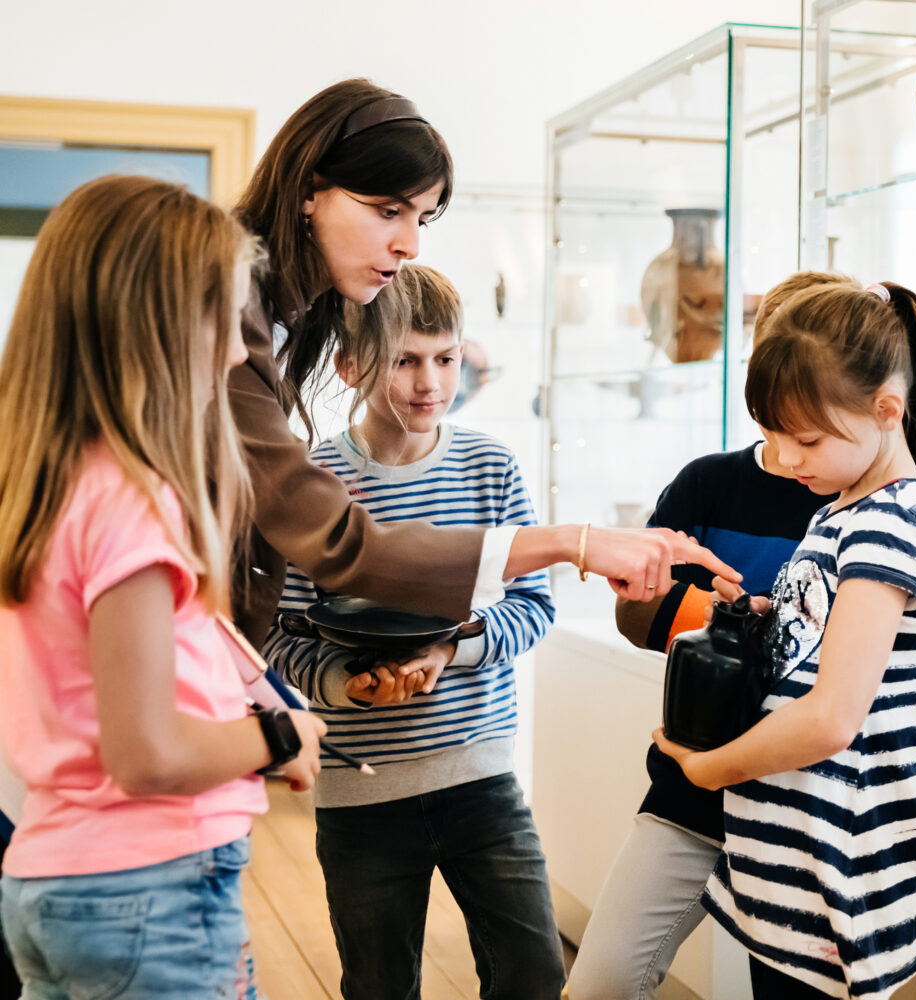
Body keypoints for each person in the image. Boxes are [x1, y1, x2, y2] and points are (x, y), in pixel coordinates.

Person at [229, 77, 736, 647]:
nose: (409, 245)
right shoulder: (231, 308)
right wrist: (578, 542)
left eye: (419, 218)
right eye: (388, 209)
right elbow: (342, 549)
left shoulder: (271, 314)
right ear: (307, 189)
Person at [0, 175, 325, 999]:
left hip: (49, 880)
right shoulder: (132, 501)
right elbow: (148, 753)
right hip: (152, 885)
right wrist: (281, 739)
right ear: (167, 325)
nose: (240, 350)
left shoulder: (49, 488)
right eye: (227, 318)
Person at [263, 264, 561, 1000]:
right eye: (405, 360)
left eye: (447, 358)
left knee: (533, 973)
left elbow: (535, 606)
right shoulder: (314, 481)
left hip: (483, 780)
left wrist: (447, 651)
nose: (432, 382)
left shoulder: (492, 466)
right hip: (360, 801)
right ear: (350, 362)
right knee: (378, 985)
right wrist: (345, 685)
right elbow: (282, 632)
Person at [652, 277, 916, 999]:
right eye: (773, 436)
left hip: (839, 872)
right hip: (795, 867)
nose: (786, 459)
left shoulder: (889, 522)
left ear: (887, 410)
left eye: (805, 438)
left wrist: (708, 769)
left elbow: (832, 717)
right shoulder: (843, 508)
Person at [567, 274, 849, 1000]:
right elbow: (635, 616)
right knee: (601, 981)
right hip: (693, 788)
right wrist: (730, 621)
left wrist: (744, 628)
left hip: (802, 805)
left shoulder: (862, 507)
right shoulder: (708, 482)